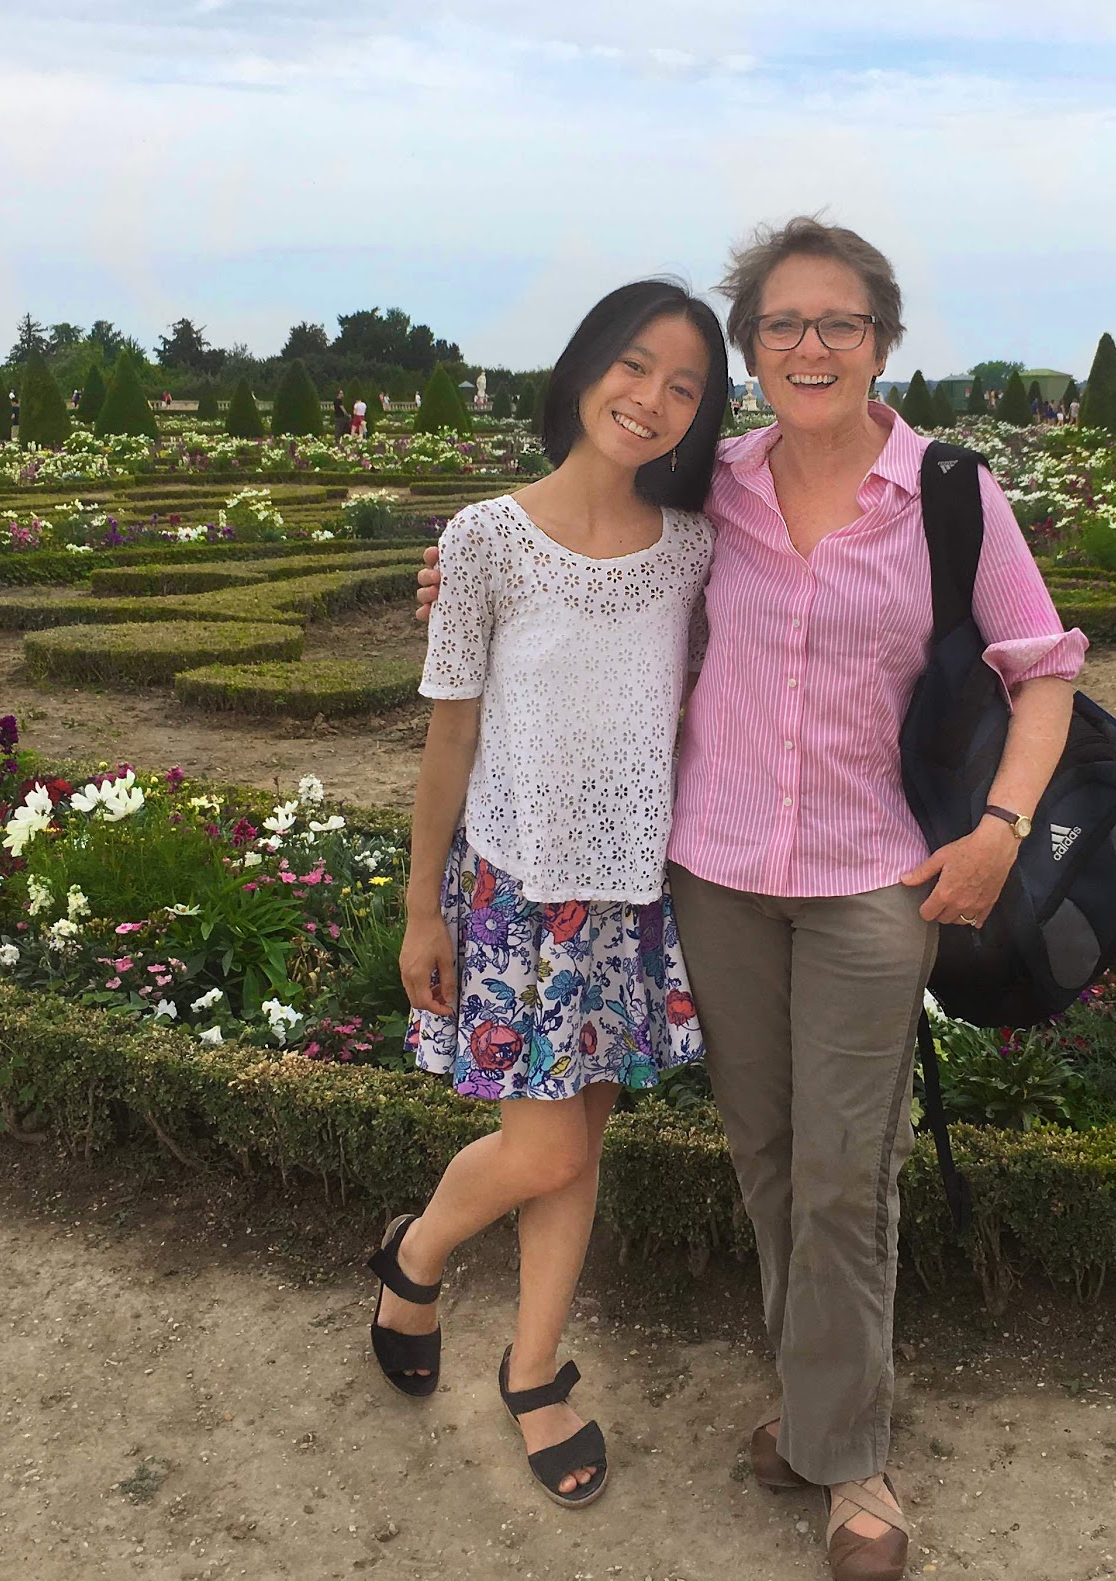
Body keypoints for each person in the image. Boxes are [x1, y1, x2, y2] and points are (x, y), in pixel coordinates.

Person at [418, 219, 1083, 1581]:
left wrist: (1003, 829)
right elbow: (580, 550)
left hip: (872, 881)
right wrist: (455, 572)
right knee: (773, 1163)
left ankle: (851, 1466)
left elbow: (1044, 667)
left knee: (847, 1174)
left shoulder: (948, 492)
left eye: (839, 323)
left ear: (882, 342)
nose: (810, 346)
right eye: (782, 324)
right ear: (753, 348)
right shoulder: (709, 488)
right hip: (713, 877)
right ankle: (819, 1406)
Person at [369, 279, 726, 1514]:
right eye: (634, 366)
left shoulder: (693, 548)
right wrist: (424, 907)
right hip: (519, 895)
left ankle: (531, 1373)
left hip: (630, 898)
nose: (651, 399)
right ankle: (413, 1255)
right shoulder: (482, 540)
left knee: (580, 1148)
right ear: (582, 368)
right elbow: (449, 740)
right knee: (547, 1142)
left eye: (684, 386)